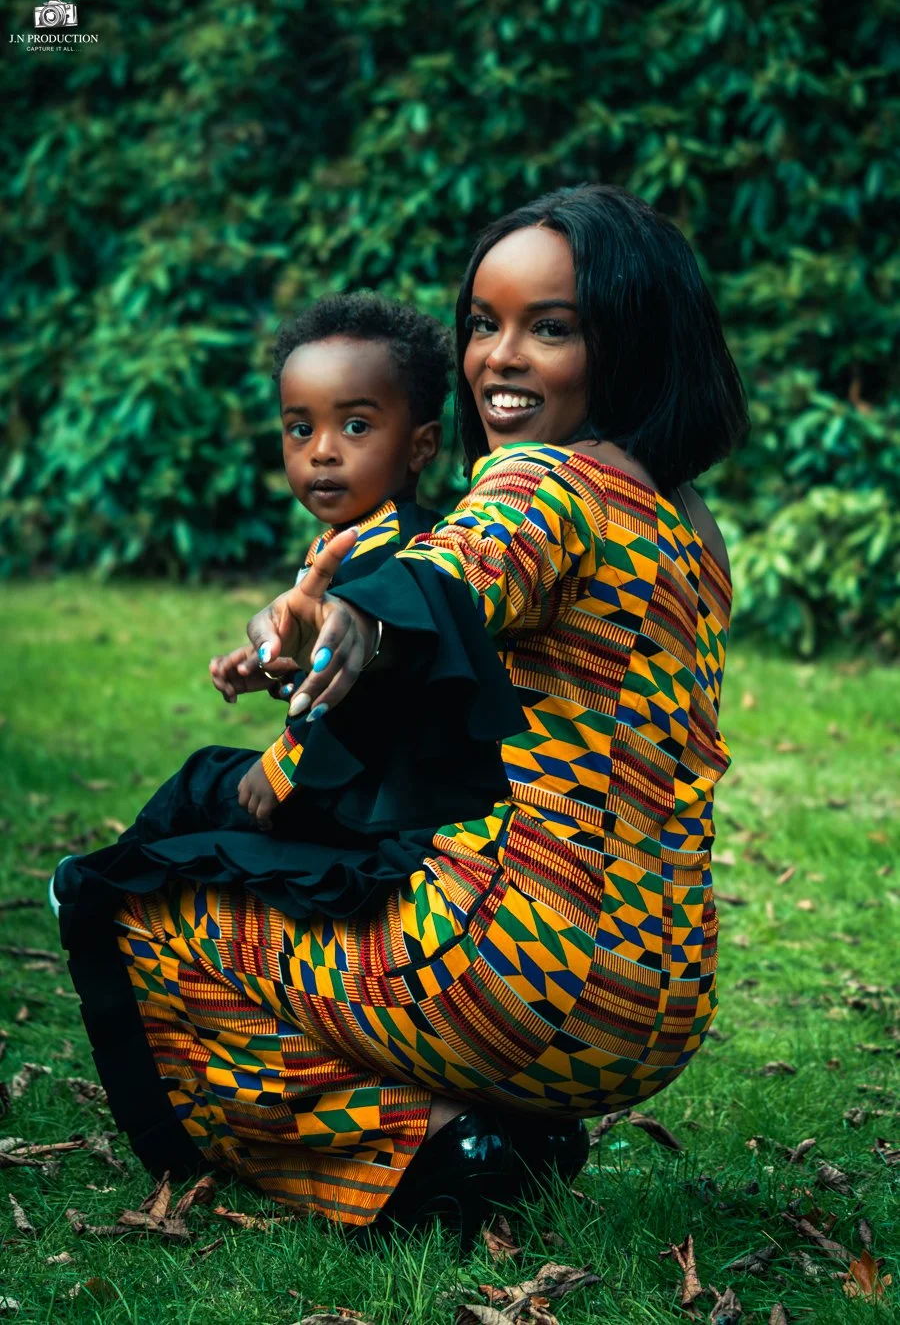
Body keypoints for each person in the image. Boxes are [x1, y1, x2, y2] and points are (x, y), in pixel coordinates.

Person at [59, 183, 749, 1250]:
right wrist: (346, 639)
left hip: (515, 977)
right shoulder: (690, 525)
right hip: (657, 1002)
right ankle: (510, 1128)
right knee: (317, 855)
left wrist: (362, 619)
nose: (499, 358)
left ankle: (420, 1156)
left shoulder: (544, 484)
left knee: (135, 909)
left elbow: (454, 575)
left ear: (634, 339)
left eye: (551, 328)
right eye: (485, 323)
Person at [51, 291, 449, 915]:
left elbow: (381, 698)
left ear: (421, 445)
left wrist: (283, 765)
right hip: (359, 791)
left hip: (364, 805)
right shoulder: (368, 536)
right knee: (209, 793)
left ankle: (100, 890)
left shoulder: (391, 556)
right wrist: (273, 665)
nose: (322, 449)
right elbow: (338, 662)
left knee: (200, 784)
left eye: (355, 426)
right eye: (300, 427)